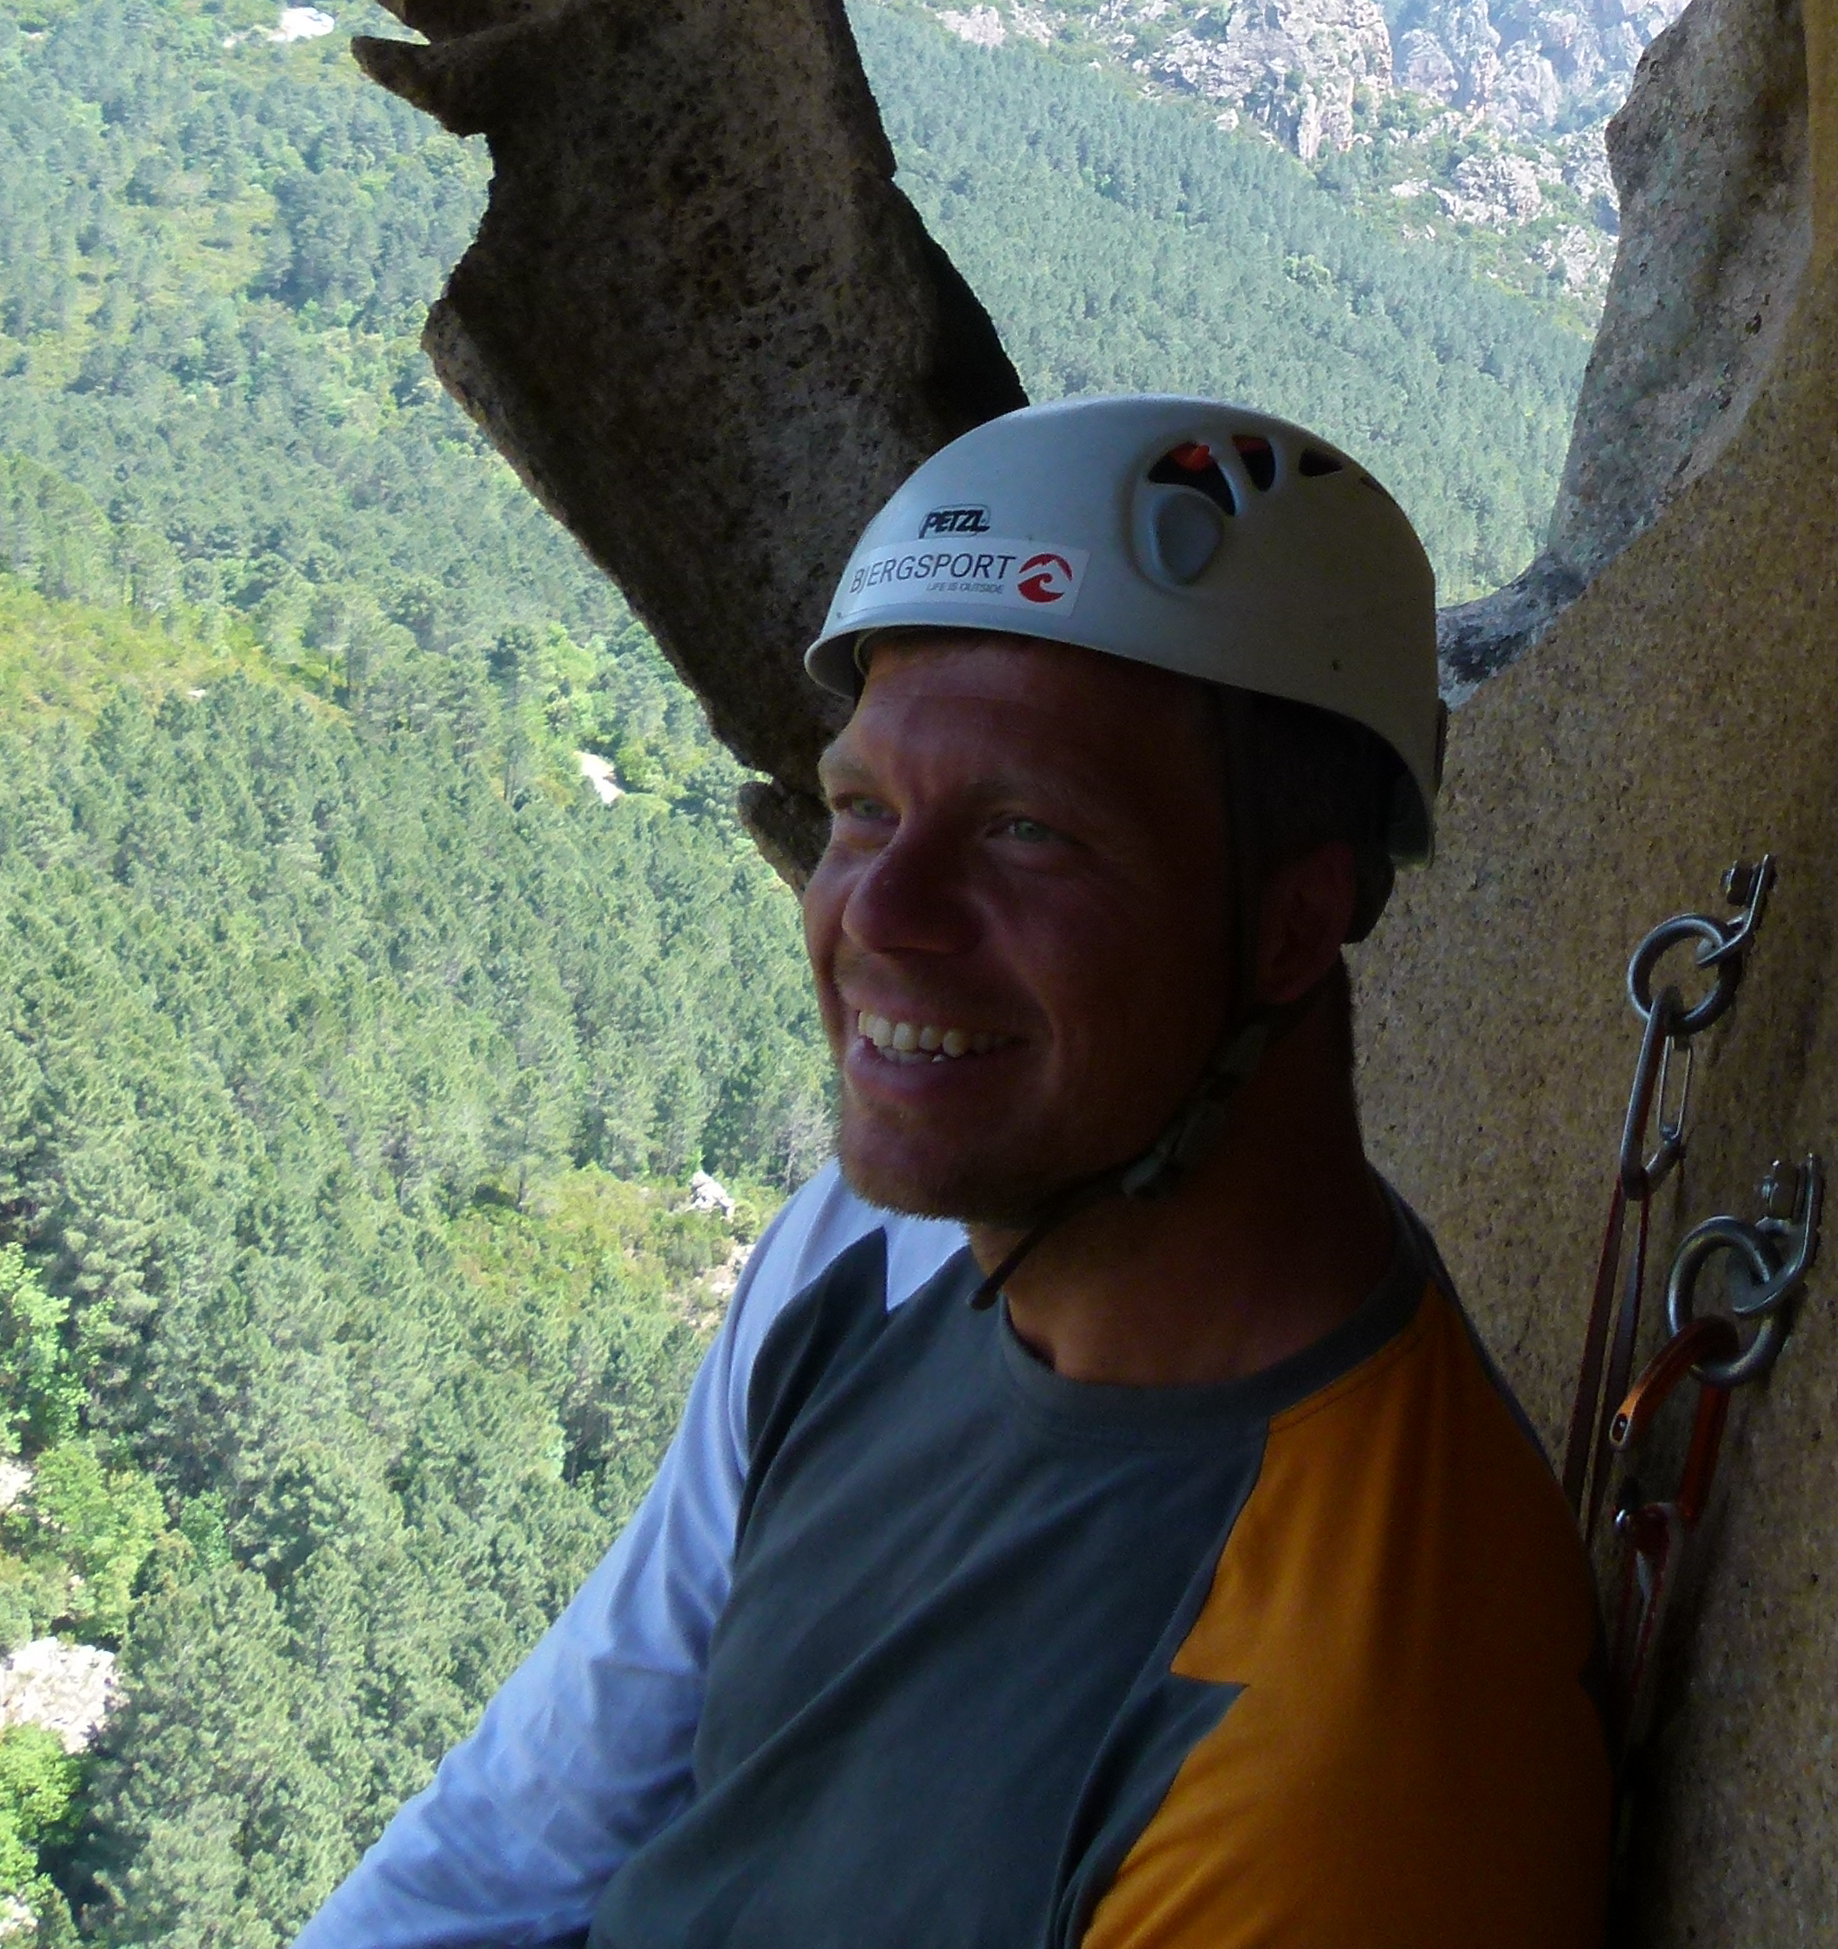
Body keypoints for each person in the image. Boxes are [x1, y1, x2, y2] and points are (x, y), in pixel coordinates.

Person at [297, 395, 1611, 1949]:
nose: (877, 914)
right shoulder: (877, 1257)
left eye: (1027, 830)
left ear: (1292, 926)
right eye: (863, 809)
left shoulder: (1336, 1767)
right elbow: (537, 1813)